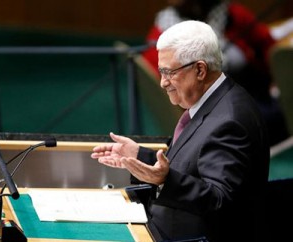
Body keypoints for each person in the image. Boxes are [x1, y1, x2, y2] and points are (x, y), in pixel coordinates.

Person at [91, 20, 270, 242]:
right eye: (161, 72)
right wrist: (139, 155)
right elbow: (192, 163)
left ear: (200, 70)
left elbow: (220, 201)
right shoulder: (213, 101)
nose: (163, 83)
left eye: (169, 72)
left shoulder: (230, 121)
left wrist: (166, 181)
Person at [142, 0, 289, 146]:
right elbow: (162, 89)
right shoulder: (163, 31)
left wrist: (276, 82)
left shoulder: (232, 15)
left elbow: (268, 46)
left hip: (255, 97)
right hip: (212, 116)